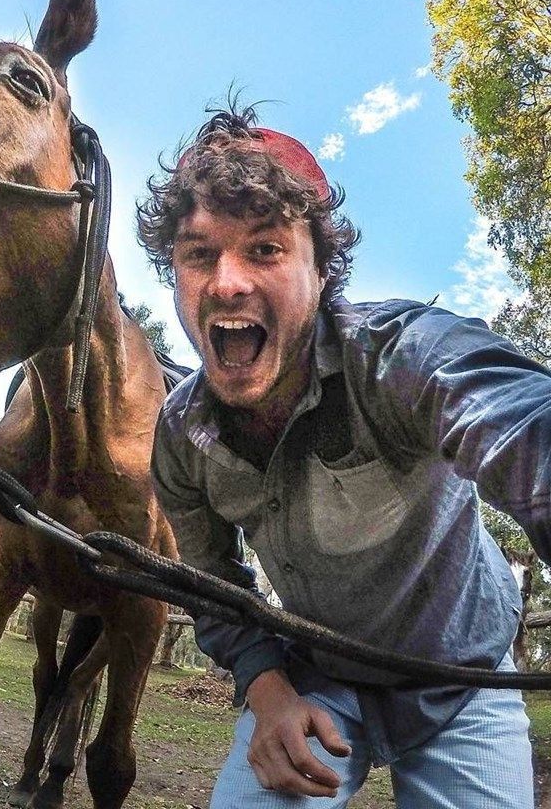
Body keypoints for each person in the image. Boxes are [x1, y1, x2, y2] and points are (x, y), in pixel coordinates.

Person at [136, 105, 539, 808]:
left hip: (465, 680)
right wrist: (267, 690)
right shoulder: (180, 434)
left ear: (322, 271)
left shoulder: (397, 356)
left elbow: (513, 418)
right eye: (198, 255)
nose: (226, 282)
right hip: (315, 681)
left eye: (265, 249)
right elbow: (208, 582)